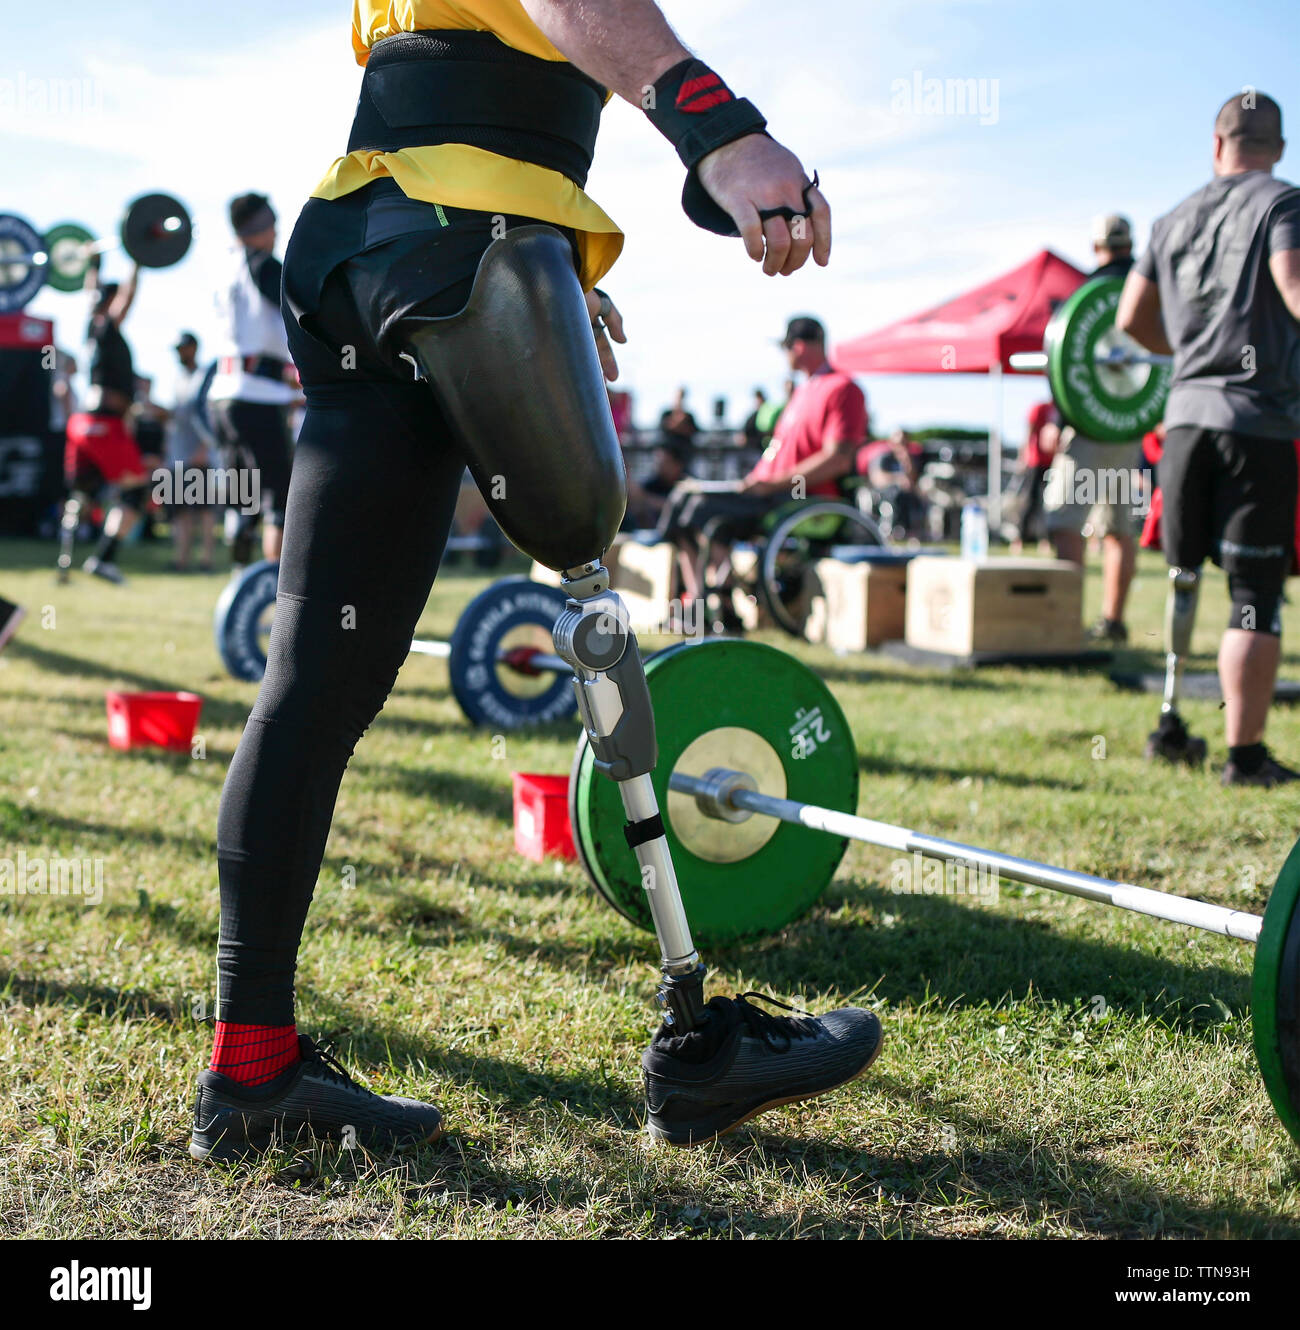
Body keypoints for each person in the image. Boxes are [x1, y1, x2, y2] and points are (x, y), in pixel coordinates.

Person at [191, 0, 881, 1166]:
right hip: (458, 233)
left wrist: (553, 266)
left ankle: (251, 1069)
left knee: (322, 676)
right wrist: (720, 129)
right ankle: (694, 1047)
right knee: (585, 561)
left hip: (373, 242)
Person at [1118, 91, 1300, 785]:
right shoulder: (1284, 203)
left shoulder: (1170, 218)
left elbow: (1133, 318)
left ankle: (1170, 723)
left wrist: (1193, 351)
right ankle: (1245, 757)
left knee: (1183, 577)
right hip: (1257, 420)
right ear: (1277, 147)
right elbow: (1295, 287)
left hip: (1186, 419)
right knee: (1254, 592)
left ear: (1215, 145)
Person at [1042, 215, 1141, 642]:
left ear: (1096, 247)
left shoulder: (1085, 291)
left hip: (1087, 428)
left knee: (1065, 522)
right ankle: (1113, 621)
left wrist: (1058, 419)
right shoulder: (1149, 288)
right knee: (1119, 527)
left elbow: (1068, 361)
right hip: (1128, 426)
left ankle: (1066, 622)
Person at [207, 192, 298, 569]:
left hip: (222, 395)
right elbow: (300, 309)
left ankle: (240, 586)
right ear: (258, 228)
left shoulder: (224, 267)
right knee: (281, 498)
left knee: (244, 498)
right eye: (271, 224)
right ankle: (275, 598)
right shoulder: (263, 265)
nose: (276, 232)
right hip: (258, 394)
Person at [59, 260, 157, 585]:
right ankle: (103, 559)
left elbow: (92, 294)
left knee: (84, 491)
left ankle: (64, 565)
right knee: (135, 493)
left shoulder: (92, 327)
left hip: (83, 424)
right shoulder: (107, 326)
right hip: (104, 425)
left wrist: (93, 266)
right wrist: (137, 263)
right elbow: (125, 298)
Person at [166, 332, 218, 573]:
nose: (179, 353)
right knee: (181, 512)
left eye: (183, 348)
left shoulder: (205, 376)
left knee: (204, 510)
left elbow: (213, 415)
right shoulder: (177, 378)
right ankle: (181, 559)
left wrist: (205, 448)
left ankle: (206, 560)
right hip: (177, 457)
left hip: (200, 457)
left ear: (194, 348)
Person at [1009, 399, 1059, 551]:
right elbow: (1028, 433)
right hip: (1035, 461)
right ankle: (1020, 538)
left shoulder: (1060, 410)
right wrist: (1023, 456)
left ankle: (1045, 540)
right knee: (1030, 500)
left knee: (1050, 501)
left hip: (1053, 462)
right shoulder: (1039, 408)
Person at [625, 437, 691, 529]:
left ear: (678, 464)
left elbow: (679, 508)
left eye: (665, 462)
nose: (659, 465)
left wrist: (647, 499)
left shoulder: (688, 484)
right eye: (657, 461)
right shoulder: (651, 484)